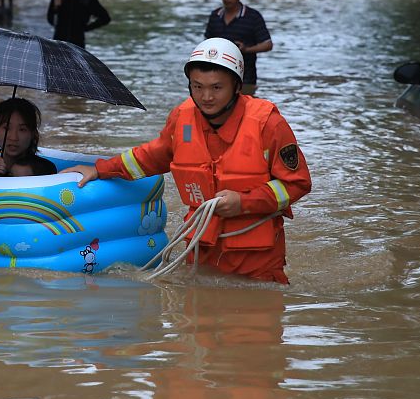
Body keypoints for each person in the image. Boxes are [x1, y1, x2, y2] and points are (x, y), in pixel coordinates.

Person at [64, 39, 311, 284]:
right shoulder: (182, 117)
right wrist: (99, 169)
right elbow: (150, 157)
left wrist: (244, 203)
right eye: (197, 87)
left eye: (217, 88)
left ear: (237, 86)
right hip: (201, 252)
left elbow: (297, 183)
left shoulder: (268, 124)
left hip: (257, 262)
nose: (206, 97)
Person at [203, 0, 272, 95]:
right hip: (217, 75)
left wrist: (246, 49)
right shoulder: (215, 16)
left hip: (245, 77)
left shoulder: (252, 17)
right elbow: (207, 44)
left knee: (245, 104)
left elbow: (267, 44)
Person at [0, 97, 58, 177]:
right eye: (7, 128)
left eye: (22, 129)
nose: (14, 137)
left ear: (33, 133)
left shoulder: (46, 169)